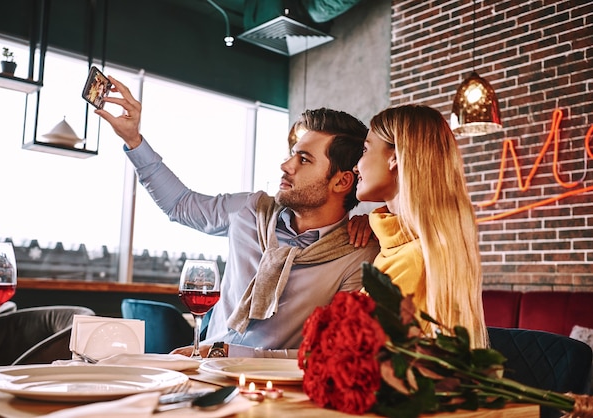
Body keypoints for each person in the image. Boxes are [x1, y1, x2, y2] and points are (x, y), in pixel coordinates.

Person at [96, 76, 379, 357]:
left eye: (304, 160)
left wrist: (230, 354)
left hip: (272, 388)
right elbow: (180, 204)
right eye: (292, 155)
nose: (285, 165)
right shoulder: (250, 209)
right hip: (203, 368)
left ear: (342, 182)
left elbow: (330, 352)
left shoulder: (357, 254)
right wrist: (133, 140)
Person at [353, 104, 488, 348]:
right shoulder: (407, 246)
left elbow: (360, 352)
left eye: (364, 149)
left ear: (394, 157)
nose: (356, 166)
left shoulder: (414, 259)